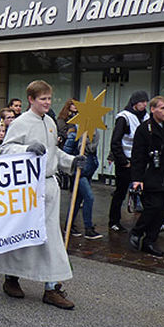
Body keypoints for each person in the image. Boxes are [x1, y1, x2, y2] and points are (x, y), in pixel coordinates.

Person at [0, 80, 84, 309]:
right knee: (23, 234)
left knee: (51, 237)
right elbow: (6, 149)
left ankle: (52, 287)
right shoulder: (21, 122)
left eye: (49, 99)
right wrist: (26, 149)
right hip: (27, 189)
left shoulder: (51, 122)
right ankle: (11, 277)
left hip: (49, 186)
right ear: (31, 99)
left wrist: (71, 161)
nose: (47, 103)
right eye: (42, 99)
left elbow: (54, 152)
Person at [129, 96, 164, 257]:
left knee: (162, 212)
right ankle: (137, 231)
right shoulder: (145, 129)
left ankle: (150, 241)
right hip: (152, 175)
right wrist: (137, 179)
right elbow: (138, 156)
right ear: (153, 110)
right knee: (152, 208)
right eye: (162, 108)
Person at [56, 99, 103, 240]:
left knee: (77, 199)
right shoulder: (75, 129)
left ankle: (70, 226)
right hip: (79, 170)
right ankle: (88, 228)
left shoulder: (95, 131)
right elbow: (67, 150)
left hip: (89, 168)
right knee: (89, 197)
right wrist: (71, 163)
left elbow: (94, 149)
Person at [107, 91, 148, 233]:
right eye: (141, 102)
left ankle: (151, 221)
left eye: (145, 102)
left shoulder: (146, 117)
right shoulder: (124, 117)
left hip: (140, 161)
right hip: (127, 161)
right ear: (134, 103)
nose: (144, 104)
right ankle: (114, 221)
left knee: (145, 191)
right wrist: (123, 161)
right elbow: (115, 141)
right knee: (121, 192)